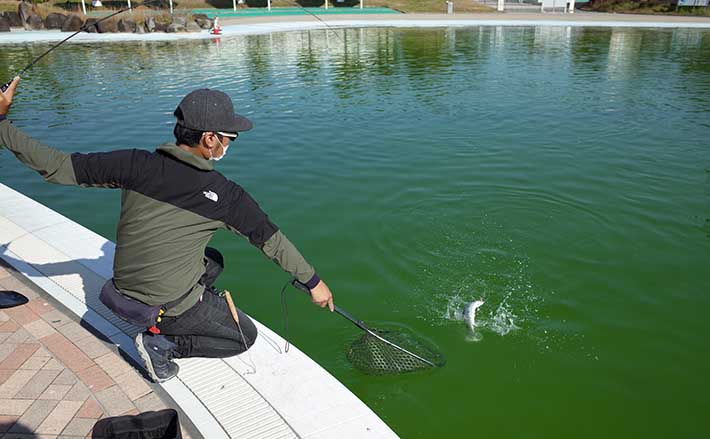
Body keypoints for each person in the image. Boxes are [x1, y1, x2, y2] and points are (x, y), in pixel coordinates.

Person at [0, 77, 334, 382]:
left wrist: (1, 122)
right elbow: (271, 241)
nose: (230, 143)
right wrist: (314, 283)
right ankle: (162, 343)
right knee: (242, 336)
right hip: (161, 305)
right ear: (209, 139)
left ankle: (174, 313)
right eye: (229, 138)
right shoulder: (225, 196)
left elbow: (55, 165)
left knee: (212, 258)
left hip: (121, 288)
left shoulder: (134, 164)